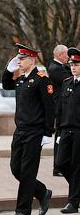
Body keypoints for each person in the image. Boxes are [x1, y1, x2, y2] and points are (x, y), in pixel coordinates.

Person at [1, 43, 55, 215]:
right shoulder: (22, 79)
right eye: (18, 59)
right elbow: (7, 84)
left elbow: (49, 107)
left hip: (35, 131)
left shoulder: (41, 79)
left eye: (22, 59)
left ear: (32, 60)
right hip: (21, 130)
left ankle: (23, 211)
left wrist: (48, 132)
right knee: (15, 168)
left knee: (28, 171)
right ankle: (42, 192)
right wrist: (9, 70)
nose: (19, 62)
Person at [55, 47, 80, 214]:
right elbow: (60, 109)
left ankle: (73, 202)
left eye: (77, 64)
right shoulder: (67, 83)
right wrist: (57, 132)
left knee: (77, 165)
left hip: (79, 131)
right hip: (65, 130)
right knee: (61, 163)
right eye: (71, 64)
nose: (73, 67)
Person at [49, 45, 71, 176]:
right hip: (60, 108)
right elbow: (70, 80)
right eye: (66, 55)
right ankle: (58, 166)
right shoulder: (55, 69)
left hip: (64, 107)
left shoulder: (61, 67)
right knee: (60, 137)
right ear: (59, 55)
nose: (68, 57)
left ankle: (61, 165)